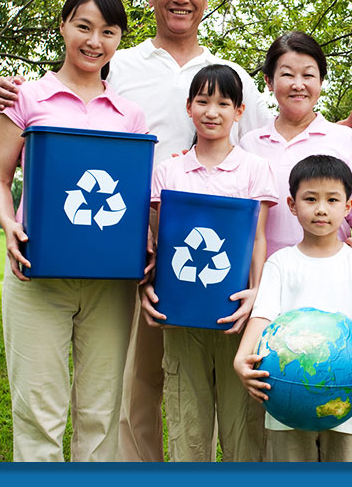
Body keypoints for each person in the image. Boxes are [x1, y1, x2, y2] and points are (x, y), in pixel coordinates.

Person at [0, 0, 273, 462]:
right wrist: (8, 98)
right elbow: (52, 117)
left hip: (192, 252)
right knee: (132, 388)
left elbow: (263, 143)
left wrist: (346, 126)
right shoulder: (120, 65)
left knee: (189, 382)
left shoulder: (230, 74)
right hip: (123, 243)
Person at [0, 0, 147, 461]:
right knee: (39, 411)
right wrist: (8, 224)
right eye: (84, 26)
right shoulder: (24, 96)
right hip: (37, 274)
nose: (95, 40)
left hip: (109, 283)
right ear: (63, 26)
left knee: (100, 413)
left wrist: (148, 240)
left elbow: (133, 194)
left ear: (118, 40)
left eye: (108, 31)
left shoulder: (129, 114)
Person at [139, 64, 275, 462]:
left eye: (223, 103)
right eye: (203, 101)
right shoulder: (169, 171)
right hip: (181, 317)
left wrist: (257, 297)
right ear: (188, 107)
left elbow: (258, 239)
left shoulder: (253, 169)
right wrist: (148, 286)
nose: (212, 111)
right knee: (187, 424)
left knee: (243, 428)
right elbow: (159, 243)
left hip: (236, 316)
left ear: (239, 111)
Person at [233, 155, 352, 462]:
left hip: (349, 397)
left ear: (348, 207)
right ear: (292, 205)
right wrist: (241, 358)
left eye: (332, 199)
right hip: (286, 396)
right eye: (310, 199)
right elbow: (262, 317)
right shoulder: (279, 263)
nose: (321, 208)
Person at [239, 31, 352, 258]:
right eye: (287, 75)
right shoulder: (248, 144)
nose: (298, 85)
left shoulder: (345, 140)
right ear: (269, 81)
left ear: (321, 82)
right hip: (263, 278)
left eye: (308, 75)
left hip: (328, 275)